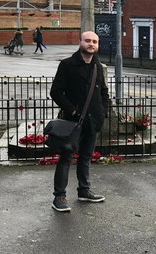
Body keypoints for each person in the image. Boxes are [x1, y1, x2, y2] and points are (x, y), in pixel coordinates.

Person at [50, 31, 109, 212]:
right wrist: (73, 110)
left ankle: (84, 191)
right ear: (80, 42)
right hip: (73, 122)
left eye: (94, 41)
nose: (91, 44)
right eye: (88, 41)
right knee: (66, 158)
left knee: (86, 158)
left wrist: (102, 113)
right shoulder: (67, 65)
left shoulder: (97, 66)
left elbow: (104, 93)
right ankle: (59, 196)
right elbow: (56, 92)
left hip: (93, 122)